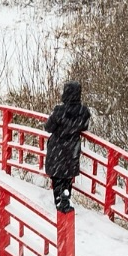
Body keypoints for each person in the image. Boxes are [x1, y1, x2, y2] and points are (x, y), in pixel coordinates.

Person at [44, 81, 90, 214]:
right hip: (72, 149)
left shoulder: (59, 111)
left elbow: (48, 127)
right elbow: (84, 126)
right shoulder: (84, 111)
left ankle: (59, 201)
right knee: (67, 176)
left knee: (57, 176)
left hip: (58, 147)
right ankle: (65, 198)